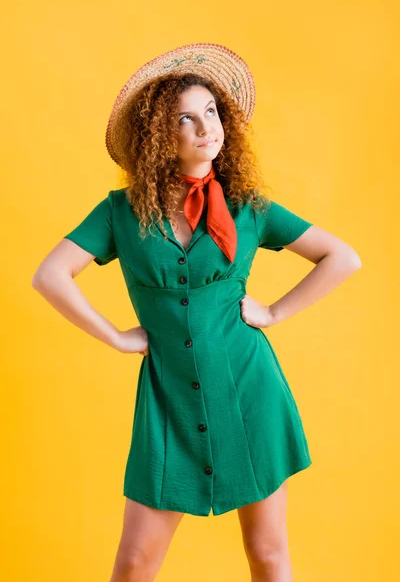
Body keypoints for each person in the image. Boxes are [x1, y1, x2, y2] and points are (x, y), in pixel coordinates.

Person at [32, 43, 362, 582]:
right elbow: (49, 275)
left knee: (269, 554)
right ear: (161, 135)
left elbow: (342, 257)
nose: (204, 126)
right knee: (135, 562)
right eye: (184, 118)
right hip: (169, 403)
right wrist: (115, 337)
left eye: (210, 110)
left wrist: (275, 312)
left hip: (249, 391)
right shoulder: (120, 213)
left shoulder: (248, 206)